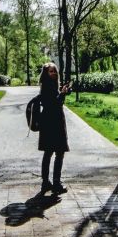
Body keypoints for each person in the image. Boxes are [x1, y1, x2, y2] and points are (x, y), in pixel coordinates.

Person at [37, 62, 71, 194]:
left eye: (55, 71)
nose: (54, 73)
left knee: (50, 152)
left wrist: (63, 92)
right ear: (45, 73)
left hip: (51, 122)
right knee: (57, 152)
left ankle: (47, 183)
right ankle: (55, 183)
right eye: (51, 71)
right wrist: (62, 94)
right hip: (52, 123)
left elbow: (57, 101)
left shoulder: (51, 86)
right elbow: (54, 104)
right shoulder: (47, 86)